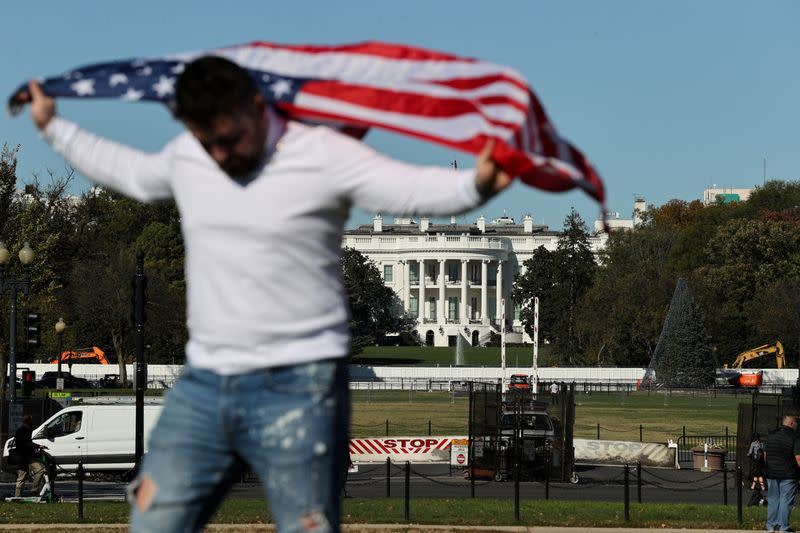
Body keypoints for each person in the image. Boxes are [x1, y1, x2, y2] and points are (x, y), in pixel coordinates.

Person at [16, 56, 512, 533]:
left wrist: (476, 184)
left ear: (257, 107)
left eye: (229, 139)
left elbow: (403, 189)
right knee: (155, 514)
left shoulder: (319, 153)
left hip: (301, 381)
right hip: (209, 378)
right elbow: (128, 170)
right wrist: (54, 127)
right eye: (208, 141)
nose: (222, 155)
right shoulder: (194, 154)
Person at [764, 415, 800, 532]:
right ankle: (783, 527)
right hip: (789, 474)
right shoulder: (795, 437)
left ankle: (770, 526)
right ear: (792, 424)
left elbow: (765, 455)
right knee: (786, 500)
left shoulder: (771, 435)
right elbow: (798, 458)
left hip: (772, 472)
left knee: (773, 499)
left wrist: (770, 465)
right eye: (796, 423)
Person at [13, 415, 44, 498]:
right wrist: (37, 446)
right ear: (29, 422)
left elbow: (24, 444)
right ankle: (34, 491)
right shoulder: (25, 431)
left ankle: (17, 496)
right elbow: (26, 443)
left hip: (22, 457)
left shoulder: (20, 431)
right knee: (40, 470)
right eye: (31, 422)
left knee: (21, 477)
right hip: (26, 457)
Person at [747, 432, 766, 506]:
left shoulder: (753, 444)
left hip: (755, 461)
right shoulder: (761, 444)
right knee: (760, 474)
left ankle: (753, 486)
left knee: (756, 474)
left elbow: (750, 452)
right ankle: (762, 486)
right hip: (761, 461)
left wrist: (748, 455)